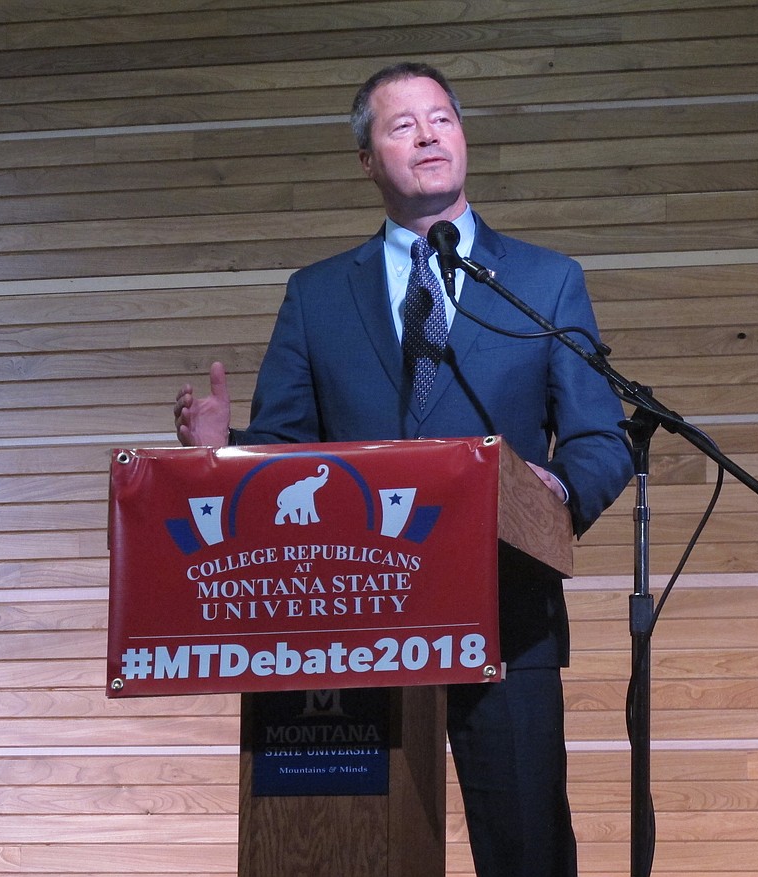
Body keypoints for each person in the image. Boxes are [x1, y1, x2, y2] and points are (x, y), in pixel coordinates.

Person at [174, 61, 632, 877]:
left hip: (506, 618)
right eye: (402, 125)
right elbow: (286, 456)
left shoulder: (543, 281)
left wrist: (554, 489)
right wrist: (224, 452)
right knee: (346, 852)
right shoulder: (316, 295)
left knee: (527, 852)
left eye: (443, 119)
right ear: (365, 159)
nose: (429, 135)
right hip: (352, 622)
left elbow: (602, 439)